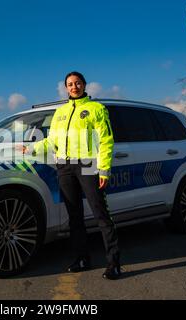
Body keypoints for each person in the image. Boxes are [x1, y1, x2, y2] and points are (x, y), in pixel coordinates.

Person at [22, 71, 121, 280]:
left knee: (101, 215)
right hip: (65, 166)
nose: (74, 87)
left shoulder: (96, 109)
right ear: (66, 88)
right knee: (74, 217)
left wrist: (104, 168)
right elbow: (52, 141)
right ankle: (82, 259)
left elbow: (106, 140)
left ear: (84, 85)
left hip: (88, 165)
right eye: (70, 84)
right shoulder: (60, 112)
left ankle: (114, 263)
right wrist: (30, 149)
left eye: (77, 83)